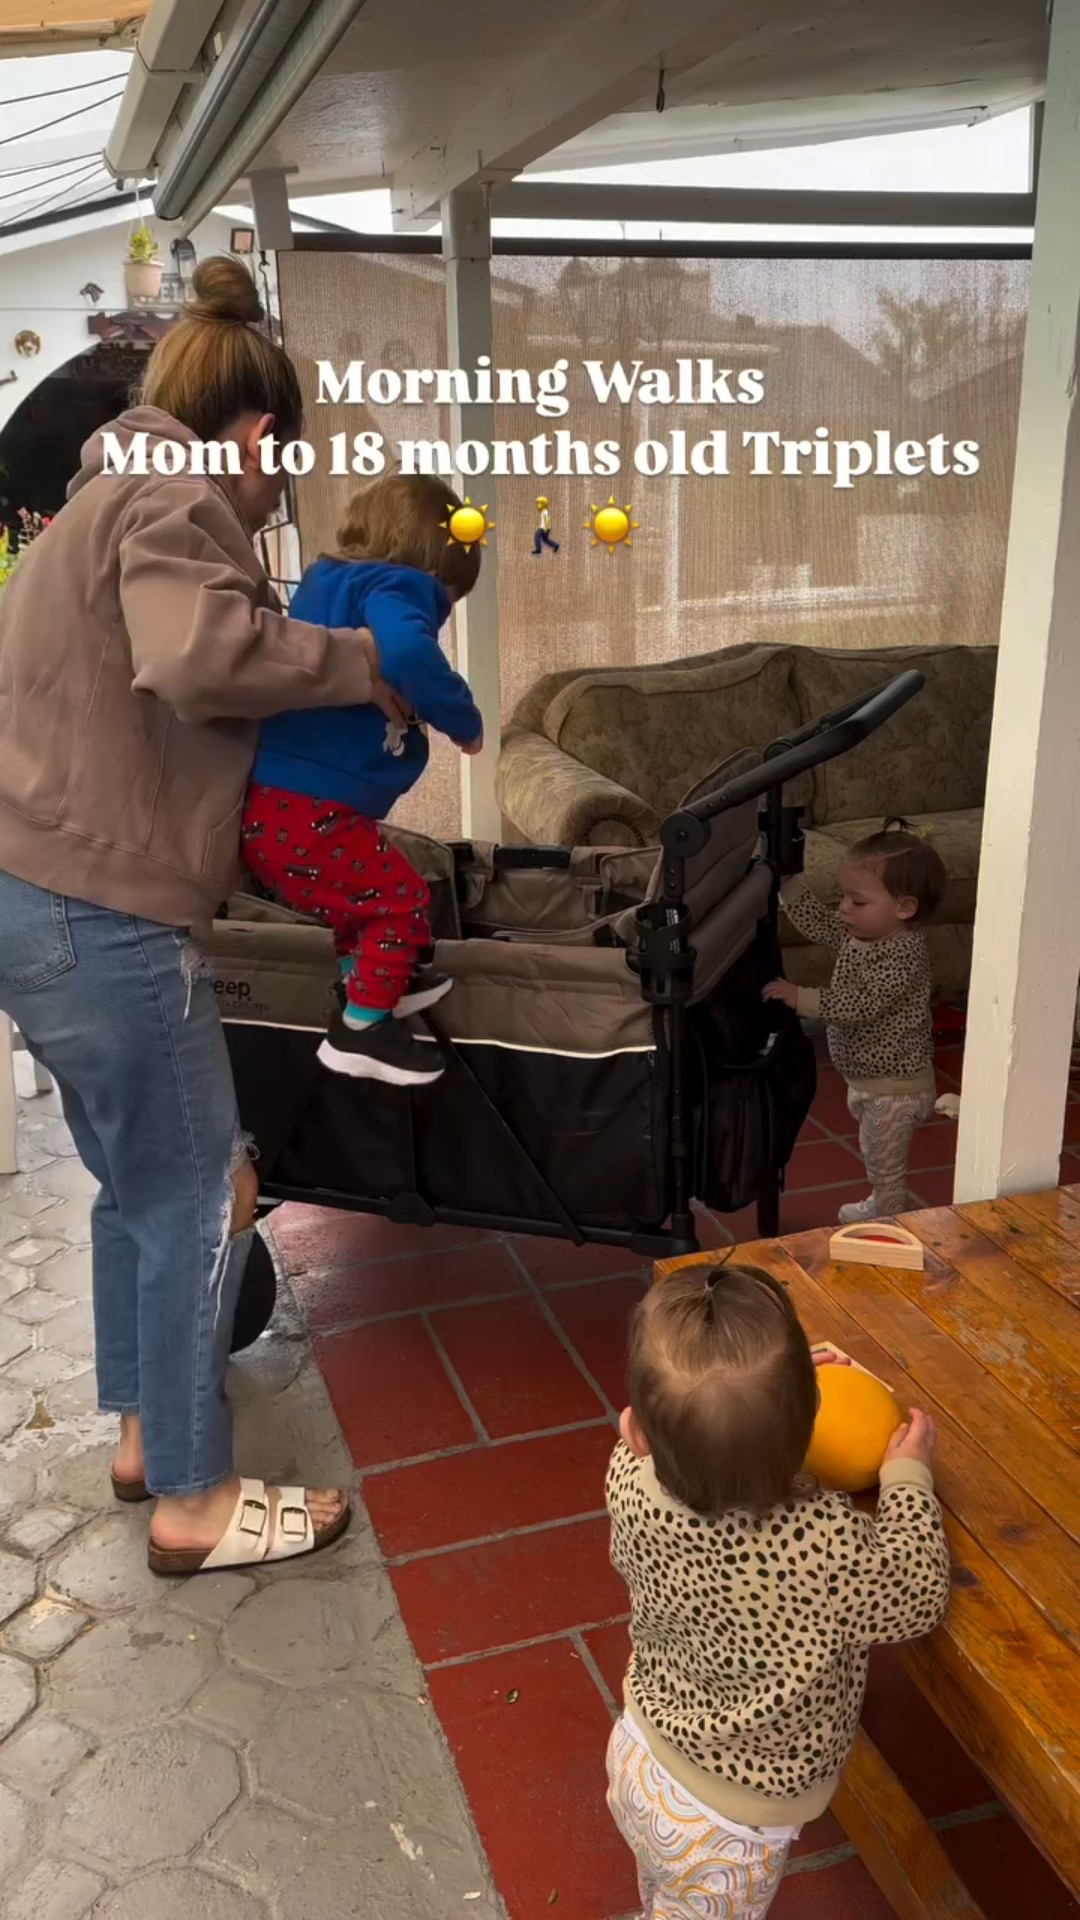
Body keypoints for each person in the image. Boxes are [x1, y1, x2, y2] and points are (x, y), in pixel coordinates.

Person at [0, 256, 408, 1578]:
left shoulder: (97, 499)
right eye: (283, 475)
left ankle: (142, 1438)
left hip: (36, 900)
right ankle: (193, 1496)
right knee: (200, 1192)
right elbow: (192, 655)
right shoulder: (173, 490)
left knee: (141, 1189)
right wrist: (359, 663)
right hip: (99, 910)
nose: (281, 503)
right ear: (258, 434)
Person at [606, 1264, 950, 1919]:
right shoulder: (821, 1541)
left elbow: (661, 1427)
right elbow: (918, 1593)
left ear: (637, 1433)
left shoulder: (627, 1475)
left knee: (662, 1888)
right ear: (805, 1431)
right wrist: (907, 1478)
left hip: (642, 1750)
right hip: (726, 1830)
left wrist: (765, 1396)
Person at [243, 472, 484, 1086]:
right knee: (401, 902)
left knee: (360, 906)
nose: (441, 615)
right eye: (449, 602)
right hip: (309, 808)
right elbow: (406, 653)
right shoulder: (398, 583)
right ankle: (361, 1028)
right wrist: (462, 718)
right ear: (435, 570)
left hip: (273, 810)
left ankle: (373, 987)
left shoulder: (324, 581)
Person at [764, 819, 946, 1223]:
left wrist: (801, 997)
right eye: (844, 897)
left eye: (857, 901)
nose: (844, 908)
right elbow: (821, 923)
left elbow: (862, 1003)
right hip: (870, 1081)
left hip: (895, 1089)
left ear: (905, 907)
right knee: (875, 1152)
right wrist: (789, 884)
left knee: (884, 1163)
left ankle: (890, 1220)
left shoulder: (903, 954)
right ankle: (884, 1201)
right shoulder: (861, 933)